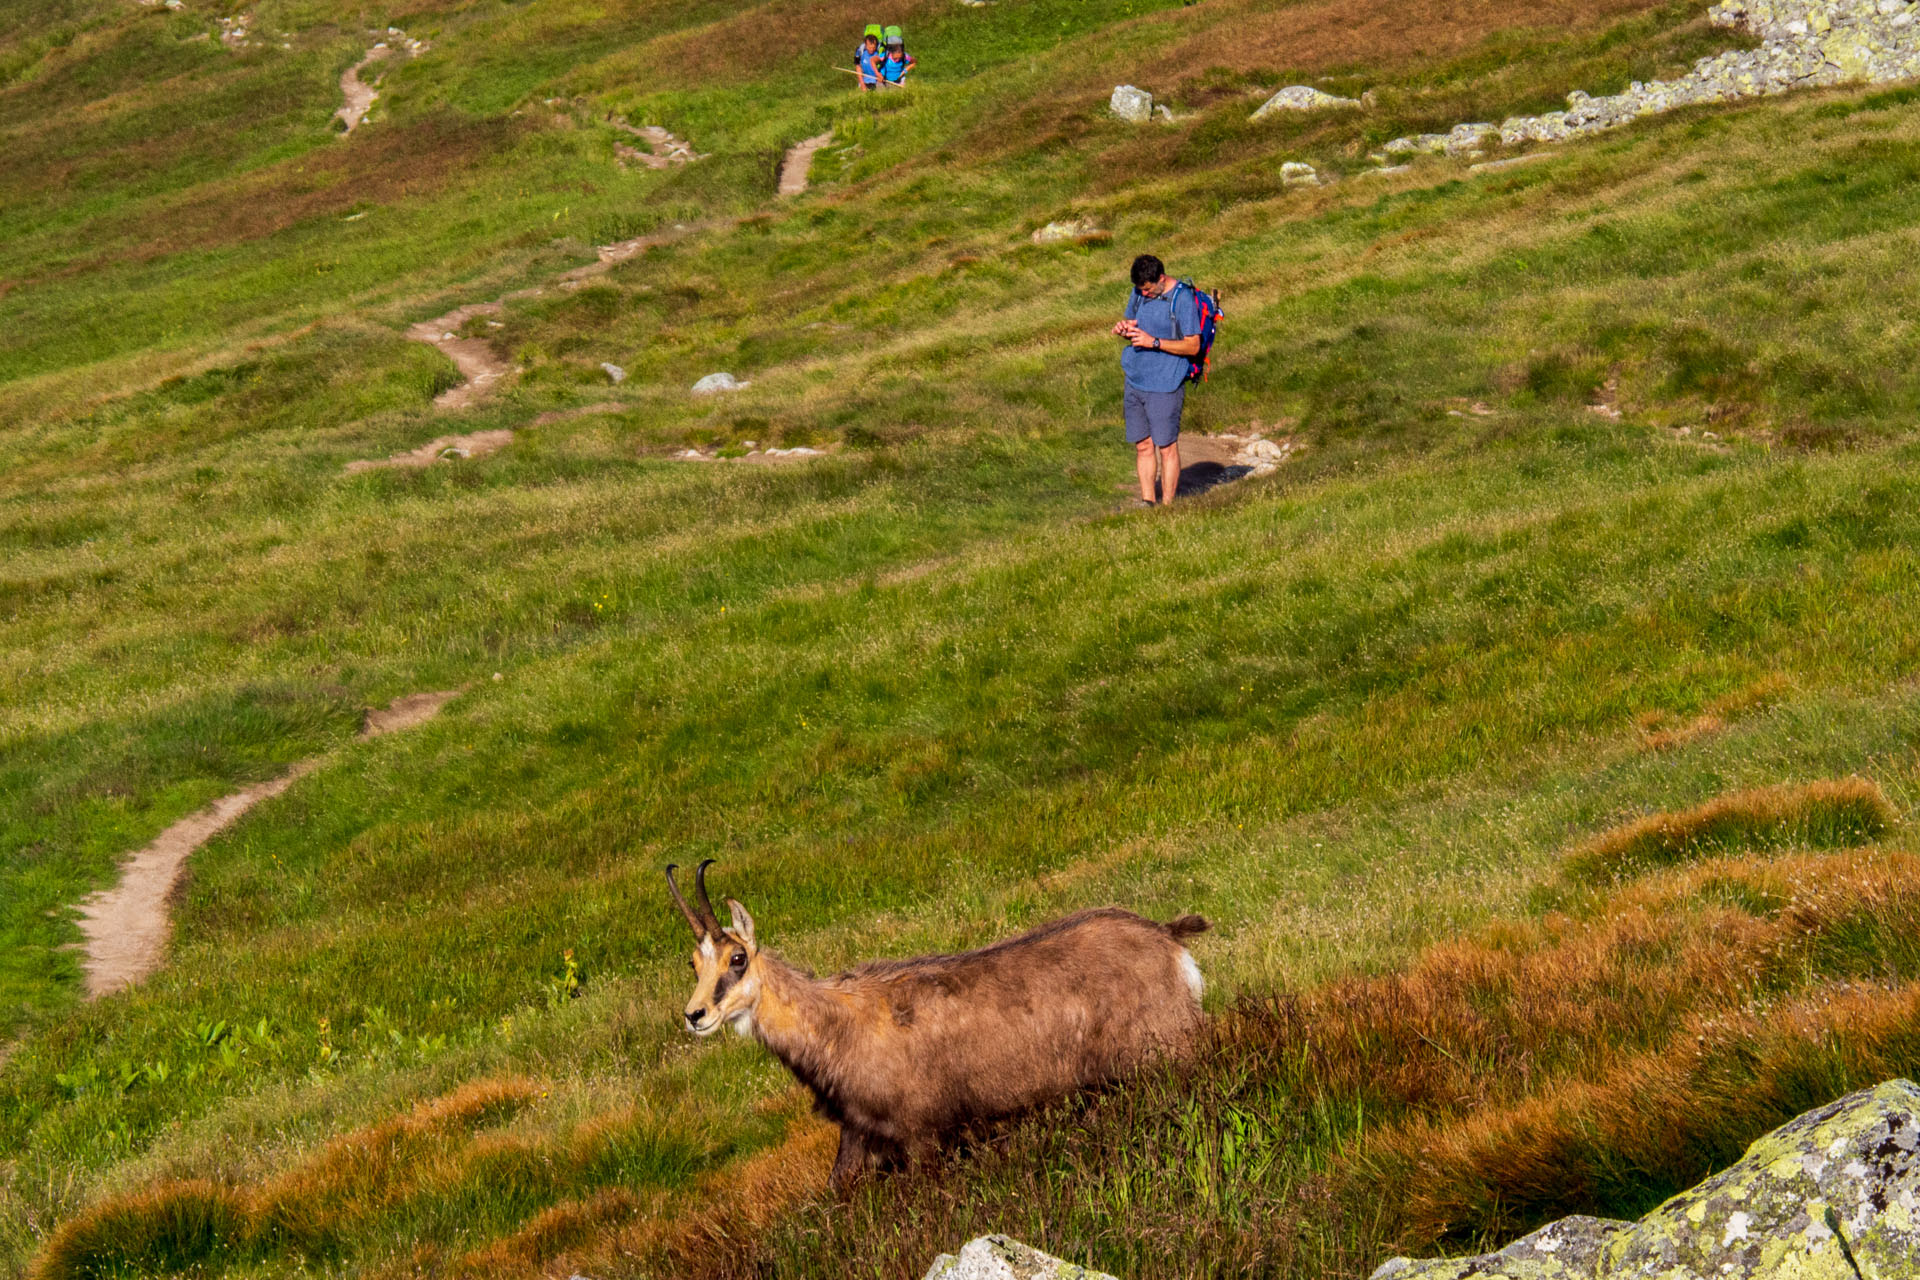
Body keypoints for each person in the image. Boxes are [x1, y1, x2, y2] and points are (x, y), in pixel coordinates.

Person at [1112, 254, 1201, 506]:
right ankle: (1148, 502)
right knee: (1142, 445)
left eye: (1149, 289)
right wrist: (1124, 330)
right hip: (1135, 378)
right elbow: (1134, 323)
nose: (1145, 294)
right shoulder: (1139, 292)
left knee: (1166, 447)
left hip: (1166, 383)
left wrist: (1155, 342)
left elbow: (1193, 346)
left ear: (1161, 279)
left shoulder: (1182, 299)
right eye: (1141, 290)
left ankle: (1168, 506)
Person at [855, 25, 884, 91]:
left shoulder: (880, 52)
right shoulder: (860, 51)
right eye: (869, 47)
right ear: (865, 45)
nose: (871, 49)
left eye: (873, 47)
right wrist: (862, 83)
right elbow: (858, 67)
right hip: (865, 80)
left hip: (878, 79)